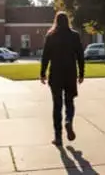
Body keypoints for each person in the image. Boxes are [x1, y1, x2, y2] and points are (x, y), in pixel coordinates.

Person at [40, 11, 85, 146]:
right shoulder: (75, 36)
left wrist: (42, 73)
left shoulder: (51, 35)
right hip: (70, 73)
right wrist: (82, 73)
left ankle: (58, 137)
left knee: (57, 105)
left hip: (56, 74)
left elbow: (45, 56)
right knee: (70, 101)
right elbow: (80, 56)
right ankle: (69, 120)